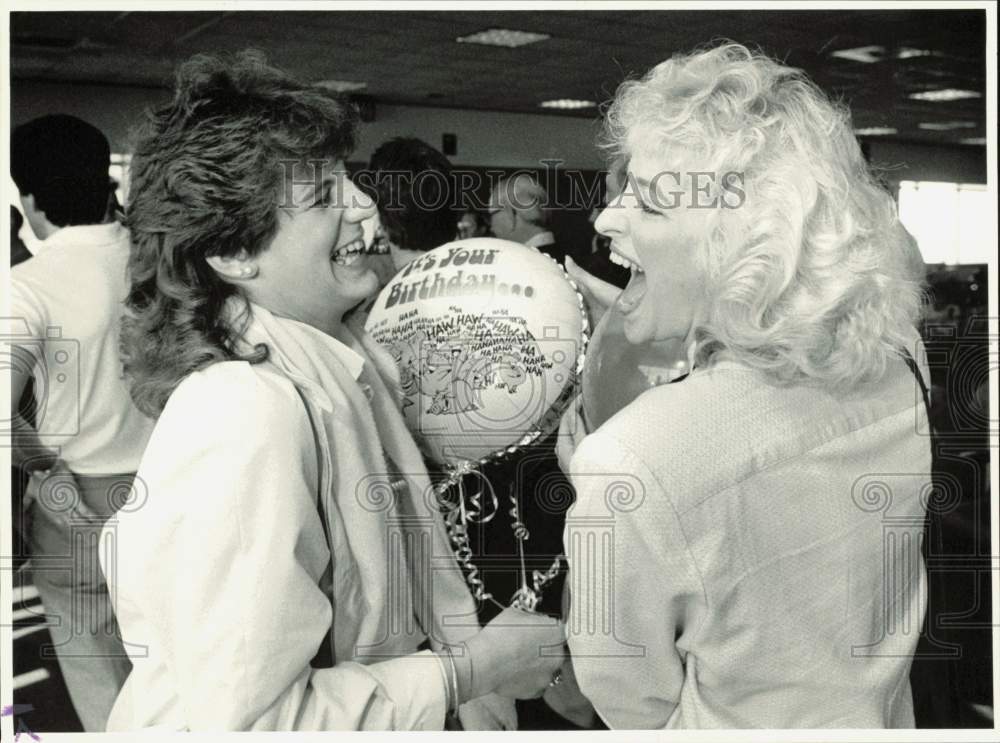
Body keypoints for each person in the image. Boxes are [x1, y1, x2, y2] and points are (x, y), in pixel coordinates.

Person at [105, 51, 563, 731]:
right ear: (235, 253)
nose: (363, 205)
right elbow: (255, 723)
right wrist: (473, 669)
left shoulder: (338, 367)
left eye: (346, 181)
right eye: (323, 198)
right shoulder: (245, 413)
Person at [558, 43, 930, 728]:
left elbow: (630, 699)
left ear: (735, 249)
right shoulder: (902, 362)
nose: (607, 218)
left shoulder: (629, 460)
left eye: (646, 201)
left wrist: (607, 488)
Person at [9, 113, 156, 731]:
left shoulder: (26, 287)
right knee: (181, 651)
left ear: (31, 201)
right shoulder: (160, 266)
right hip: (179, 482)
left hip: (78, 501)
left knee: (97, 660)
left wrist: (43, 466)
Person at [488, 174, 567, 265]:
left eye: (491, 215)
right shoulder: (570, 258)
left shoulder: (515, 264)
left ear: (512, 213)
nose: (491, 228)